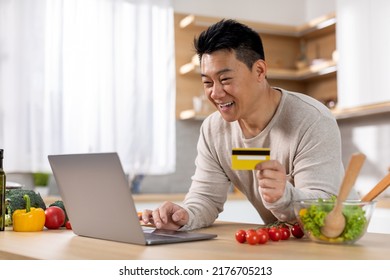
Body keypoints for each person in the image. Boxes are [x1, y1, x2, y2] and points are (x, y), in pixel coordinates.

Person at [141, 19, 350, 231]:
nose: (215, 93)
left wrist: (284, 195)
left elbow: (323, 207)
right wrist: (183, 216)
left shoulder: (312, 120)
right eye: (207, 82)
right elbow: (205, 199)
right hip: (282, 241)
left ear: (259, 71)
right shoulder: (214, 130)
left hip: (336, 239)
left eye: (225, 79)